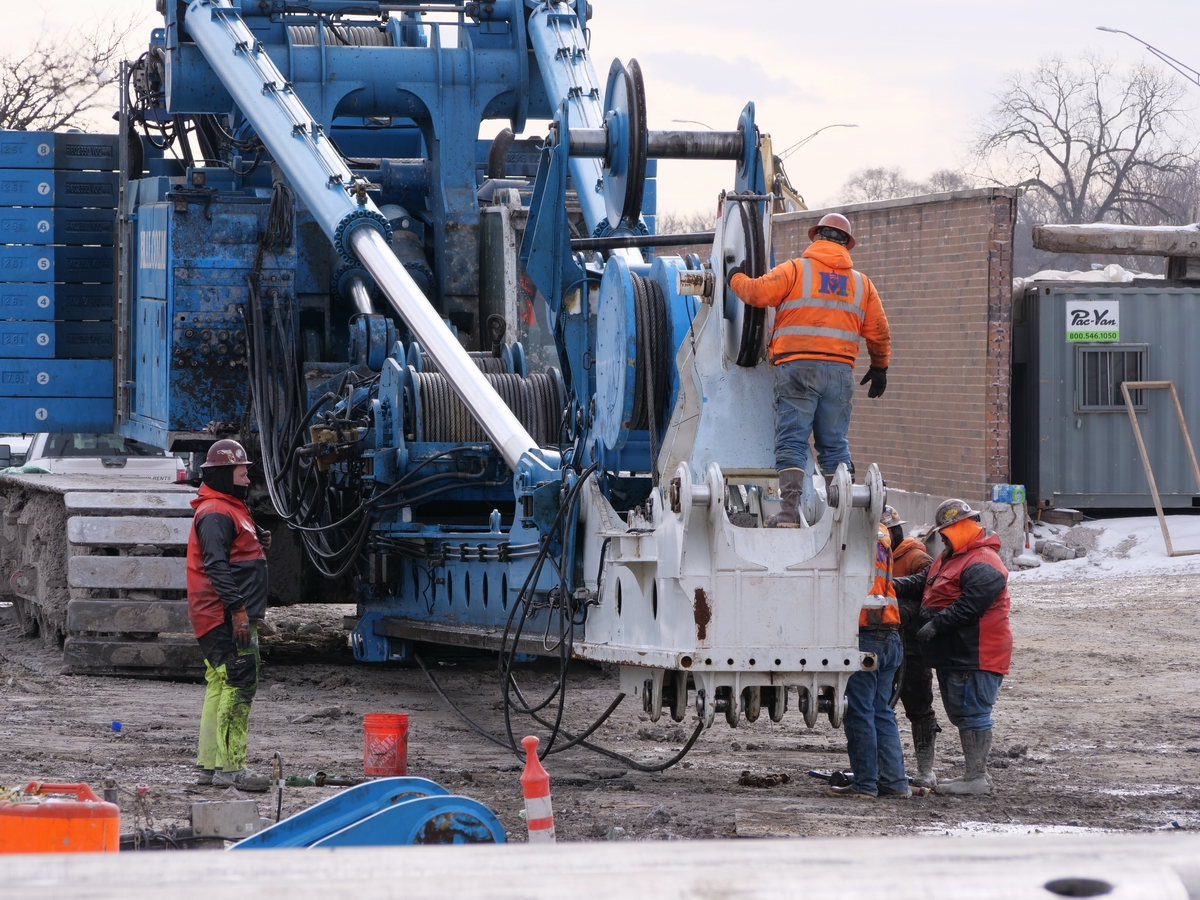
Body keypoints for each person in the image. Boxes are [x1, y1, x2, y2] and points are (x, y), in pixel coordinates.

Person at [728, 212, 890, 527]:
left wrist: (734, 276)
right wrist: (880, 367)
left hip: (798, 369)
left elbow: (758, 294)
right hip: (839, 374)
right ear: (847, 245)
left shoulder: (795, 270)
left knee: (792, 440)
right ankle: (840, 516)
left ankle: (789, 513)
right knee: (834, 444)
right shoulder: (862, 284)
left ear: (816, 237)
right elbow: (879, 331)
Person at [894, 499, 1013, 795]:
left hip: (976, 652)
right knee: (961, 712)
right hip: (956, 652)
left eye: (945, 533)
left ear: (958, 528)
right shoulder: (952, 557)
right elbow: (925, 582)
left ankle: (977, 777)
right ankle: (973, 775)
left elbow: (970, 606)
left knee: (973, 712)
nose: (943, 539)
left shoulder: (983, 562)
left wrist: (934, 626)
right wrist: (892, 585)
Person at [187, 439, 272, 791]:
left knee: (220, 683)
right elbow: (217, 567)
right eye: (242, 472)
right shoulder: (216, 513)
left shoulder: (226, 508)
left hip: (220, 613)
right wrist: (238, 610)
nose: (247, 478)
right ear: (224, 474)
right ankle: (231, 768)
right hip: (224, 615)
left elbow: (232, 554)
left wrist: (257, 542)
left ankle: (210, 765)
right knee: (240, 682)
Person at [829, 517, 909, 799]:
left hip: (864, 634)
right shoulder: (882, 537)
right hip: (890, 634)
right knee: (881, 711)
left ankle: (865, 785)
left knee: (859, 711)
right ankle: (895, 783)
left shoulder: (855, 533)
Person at [883, 506, 940, 789]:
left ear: (894, 532)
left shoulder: (916, 558)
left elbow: (933, 594)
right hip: (882, 640)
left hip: (912, 643)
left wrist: (907, 612)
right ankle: (886, 766)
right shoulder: (873, 555)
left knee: (919, 706)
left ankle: (925, 768)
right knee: (881, 706)